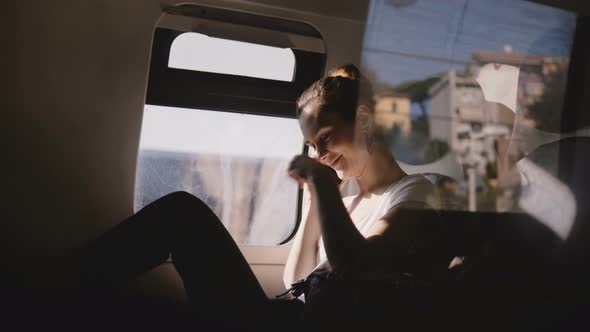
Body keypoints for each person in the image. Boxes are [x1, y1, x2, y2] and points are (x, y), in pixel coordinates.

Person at [77, 64, 452, 330]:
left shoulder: (416, 192)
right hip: (287, 315)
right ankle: (73, 289)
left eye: (324, 138)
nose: (319, 154)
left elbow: (360, 267)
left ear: (364, 120)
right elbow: (298, 281)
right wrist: (312, 208)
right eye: (311, 146)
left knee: (182, 213)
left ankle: (69, 285)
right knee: (140, 310)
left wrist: (322, 182)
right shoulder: (349, 201)